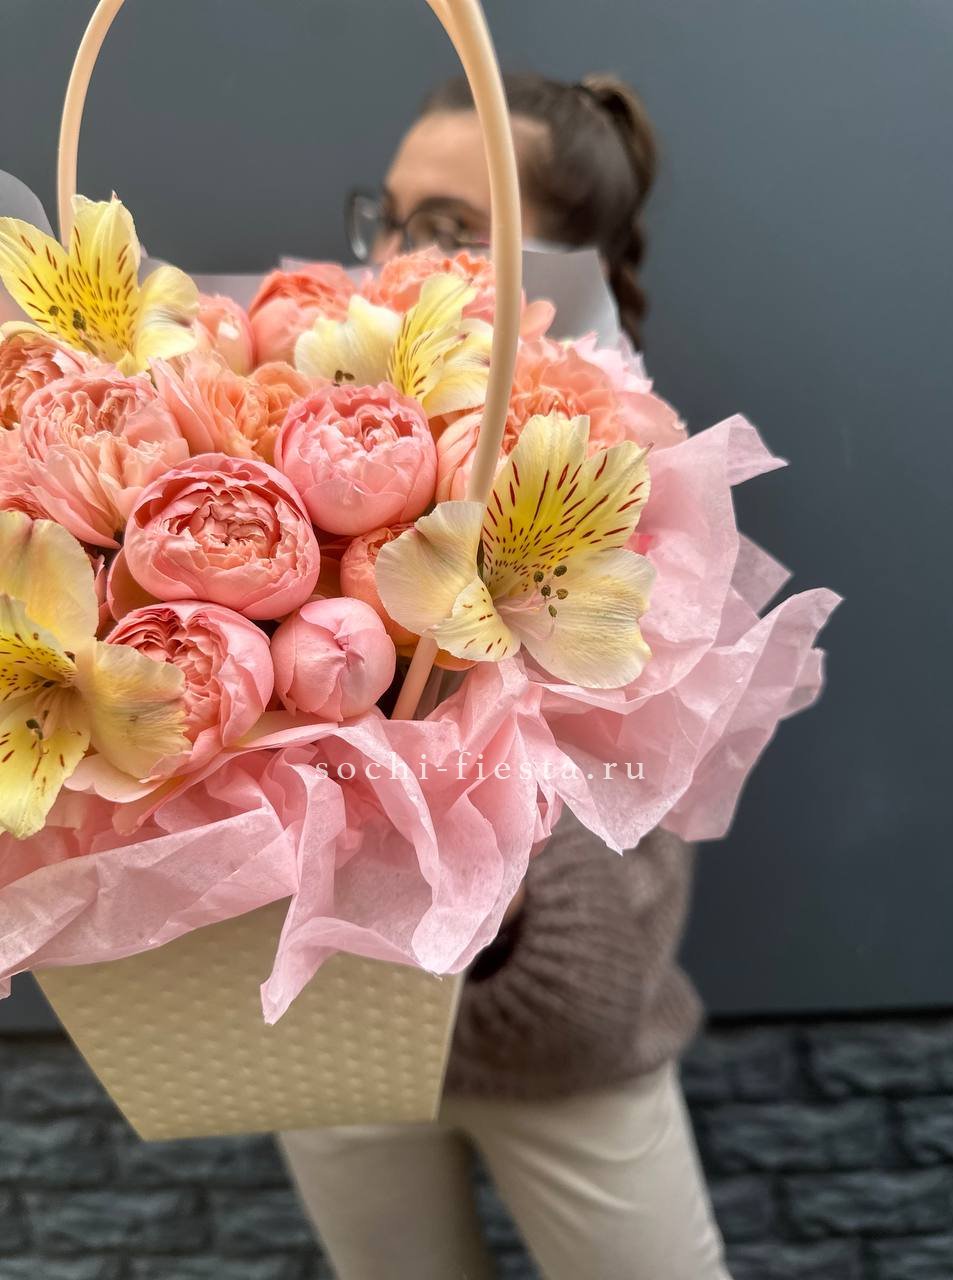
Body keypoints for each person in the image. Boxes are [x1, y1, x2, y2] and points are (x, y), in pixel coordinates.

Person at [279, 73, 732, 1280]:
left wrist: (506, 907)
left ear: (575, 265)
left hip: (554, 1037)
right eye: (388, 216)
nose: (395, 258)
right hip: (334, 1030)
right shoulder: (311, 428)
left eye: (450, 229)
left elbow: (637, 801)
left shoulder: (632, 478)